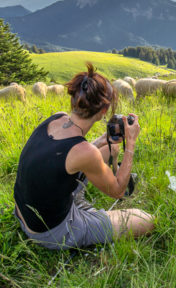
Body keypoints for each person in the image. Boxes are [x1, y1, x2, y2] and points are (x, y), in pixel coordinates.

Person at [13, 63, 154, 250]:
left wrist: (104, 141)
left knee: (106, 151)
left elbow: (70, 154)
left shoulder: (56, 118)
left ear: (74, 99)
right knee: (146, 220)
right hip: (51, 232)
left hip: (24, 213)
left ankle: (77, 204)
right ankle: (81, 218)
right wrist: (131, 143)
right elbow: (118, 191)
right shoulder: (84, 153)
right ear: (104, 111)